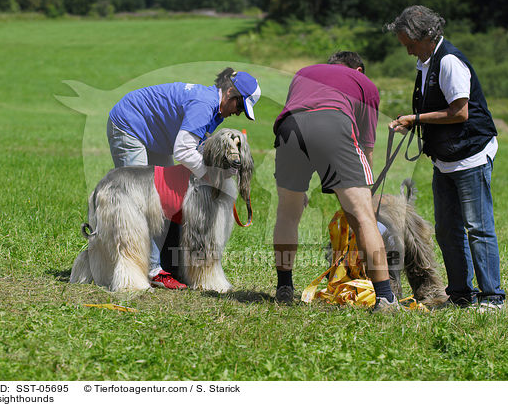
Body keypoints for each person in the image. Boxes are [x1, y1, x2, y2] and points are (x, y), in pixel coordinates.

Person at [385, 5, 505, 310]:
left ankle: (492, 297)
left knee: (477, 228)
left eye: (410, 45)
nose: (409, 51)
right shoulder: (426, 63)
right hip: (445, 158)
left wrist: (416, 119)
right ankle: (460, 294)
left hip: (470, 156)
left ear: (426, 36)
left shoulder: (449, 61)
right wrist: (412, 121)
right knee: (447, 229)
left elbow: (459, 112)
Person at [107, 68, 261, 289]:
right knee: (141, 201)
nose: (238, 113)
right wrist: (212, 176)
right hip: (130, 125)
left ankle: (167, 264)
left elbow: (196, 146)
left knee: (164, 199)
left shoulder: (216, 110)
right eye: (240, 106)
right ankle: (151, 270)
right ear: (229, 93)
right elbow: (183, 151)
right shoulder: (204, 106)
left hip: (157, 136)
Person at [272, 51, 397, 312]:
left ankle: (284, 287)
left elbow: (296, 109)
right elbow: (367, 145)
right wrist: (365, 192)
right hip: (333, 121)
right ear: (359, 70)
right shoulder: (365, 84)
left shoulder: (304, 72)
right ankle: (386, 297)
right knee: (364, 218)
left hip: (288, 127)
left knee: (287, 214)